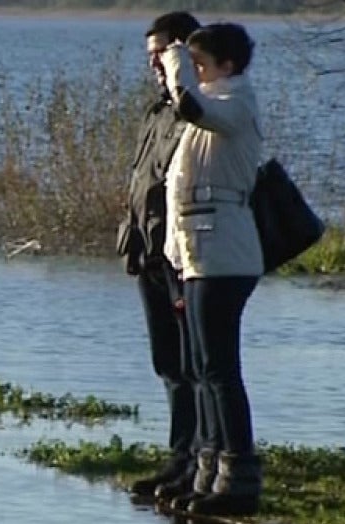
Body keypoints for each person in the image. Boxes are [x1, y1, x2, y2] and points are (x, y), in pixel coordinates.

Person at [157, 23, 264, 516]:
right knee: (201, 367)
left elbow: (191, 106)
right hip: (201, 255)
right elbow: (181, 191)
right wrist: (175, 259)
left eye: (201, 65)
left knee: (220, 369)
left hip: (226, 257)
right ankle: (207, 468)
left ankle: (237, 475)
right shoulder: (214, 107)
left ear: (227, 66)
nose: (192, 74)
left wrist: (177, 65)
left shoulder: (236, 104)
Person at [121, 11, 202, 499]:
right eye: (149, 56)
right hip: (148, 256)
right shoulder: (155, 113)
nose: (153, 64)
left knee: (197, 363)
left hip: (183, 257)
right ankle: (180, 456)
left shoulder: (196, 111)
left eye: (160, 55)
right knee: (167, 363)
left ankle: (200, 457)